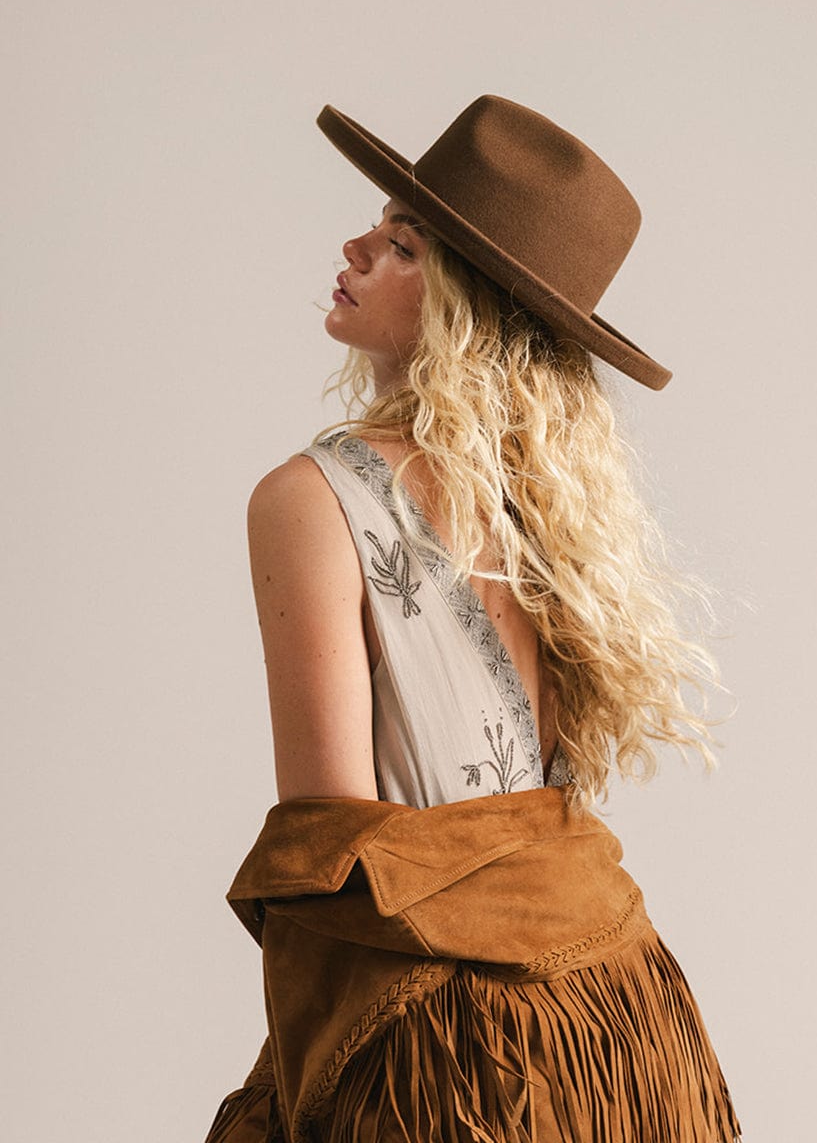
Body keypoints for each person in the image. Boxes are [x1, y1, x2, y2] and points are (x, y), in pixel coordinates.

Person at [205, 96, 740, 1143]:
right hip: (620, 1027)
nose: (354, 246)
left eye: (402, 245)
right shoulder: (551, 513)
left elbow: (331, 857)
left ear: (466, 304)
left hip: (457, 1067)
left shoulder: (309, 500)